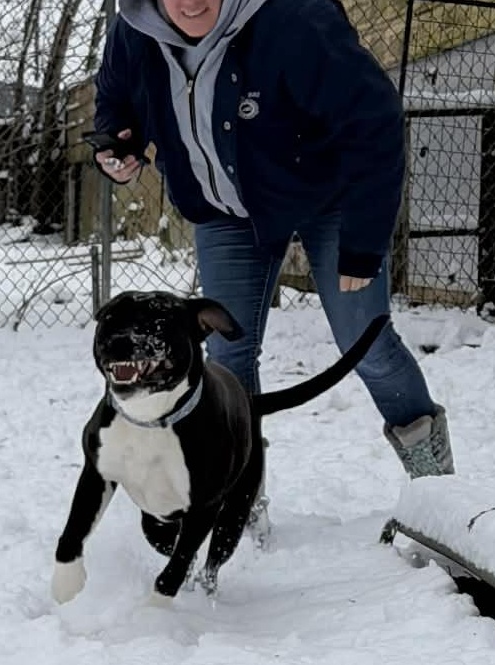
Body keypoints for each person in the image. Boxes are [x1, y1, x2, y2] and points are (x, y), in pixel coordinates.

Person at [88, 0, 455, 533]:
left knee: (366, 340)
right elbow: (117, 103)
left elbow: (373, 123)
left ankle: (440, 495)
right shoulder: (132, 32)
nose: (192, 3)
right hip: (224, 212)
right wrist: (116, 144)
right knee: (227, 354)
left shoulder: (294, 19)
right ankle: (235, 505)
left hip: (328, 200)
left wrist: (362, 243)